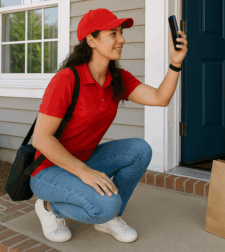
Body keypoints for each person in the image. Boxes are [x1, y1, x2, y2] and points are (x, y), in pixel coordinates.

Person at [29, 8, 188, 243]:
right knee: (105, 205)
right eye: (113, 33)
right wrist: (84, 172)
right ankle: (49, 208)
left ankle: (108, 216)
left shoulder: (117, 78)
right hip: (49, 170)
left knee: (139, 150)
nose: (121, 39)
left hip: (85, 159)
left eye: (120, 32)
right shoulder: (66, 80)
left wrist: (175, 64)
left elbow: (159, 98)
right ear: (91, 40)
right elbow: (41, 138)